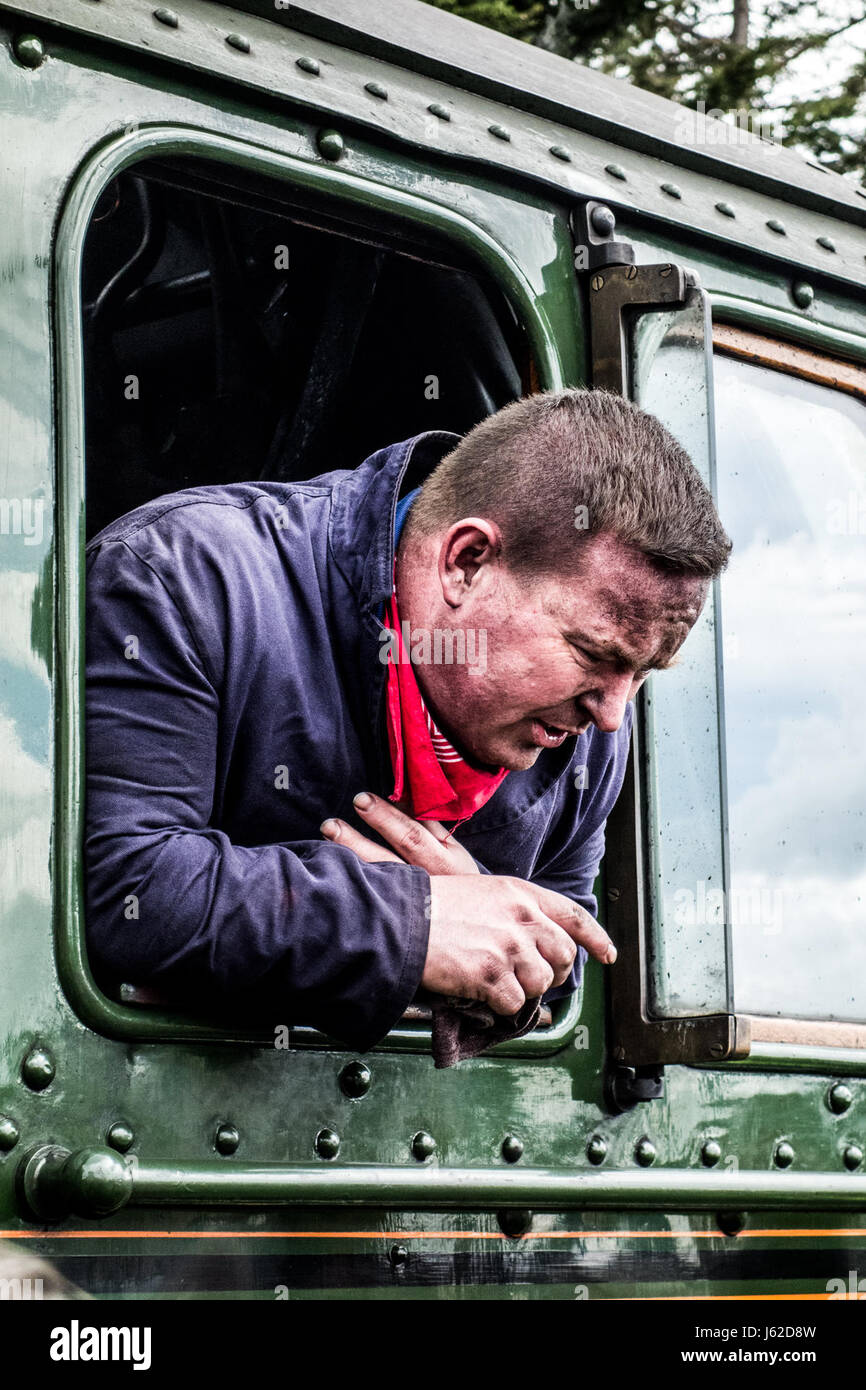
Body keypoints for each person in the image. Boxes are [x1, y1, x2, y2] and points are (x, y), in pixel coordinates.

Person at [84, 388, 731, 1054]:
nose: (614, 715)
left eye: (646, 673)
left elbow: (563, 968)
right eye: (594, 653)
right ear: (466, 562)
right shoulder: (184, 577)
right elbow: (126, 884)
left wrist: (483, 920)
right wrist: (411, 923)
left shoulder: (583, 738)